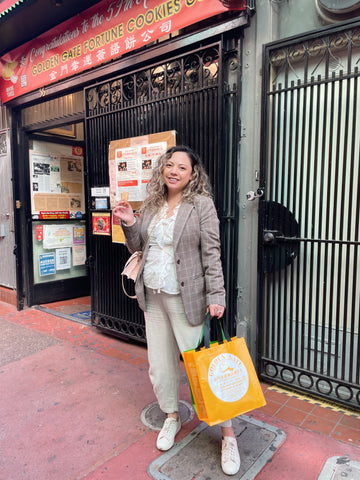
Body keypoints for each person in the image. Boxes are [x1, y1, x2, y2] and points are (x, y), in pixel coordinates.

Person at [113, 145, 240, 475]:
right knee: (160, 364)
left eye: (182, 167)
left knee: (202, 366)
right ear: (162, 169)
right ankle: (171, 416)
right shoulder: (153, 203)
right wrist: (130, 223)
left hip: (188, 298)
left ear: (192, 174)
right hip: (152, 295)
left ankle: (228, 433)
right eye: (169, 165)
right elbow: (140, 246)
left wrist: (217, 294)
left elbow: (212, 253)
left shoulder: (201, 205)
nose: (174, 171)